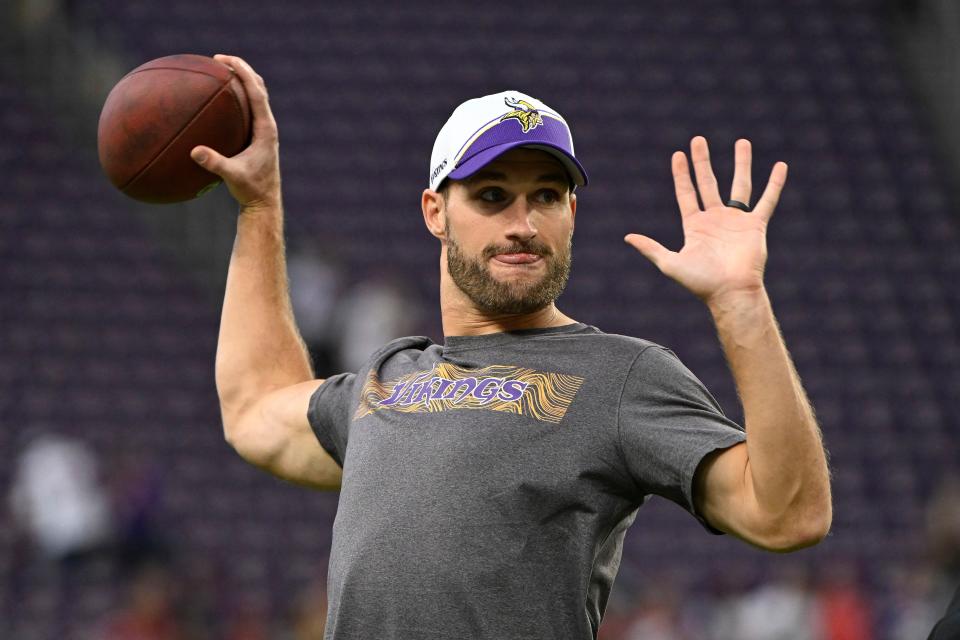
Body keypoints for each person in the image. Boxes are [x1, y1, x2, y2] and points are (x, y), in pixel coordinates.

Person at [189, 54, 833, 639]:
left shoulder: (622, 376)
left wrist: (740, 303)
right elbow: (254, 406)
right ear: (435, 211)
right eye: (492, 196)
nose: (522, 224)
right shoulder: (386, 378)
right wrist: (258, 206)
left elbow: (789, 515)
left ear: (572, 214)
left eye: (546, 196)